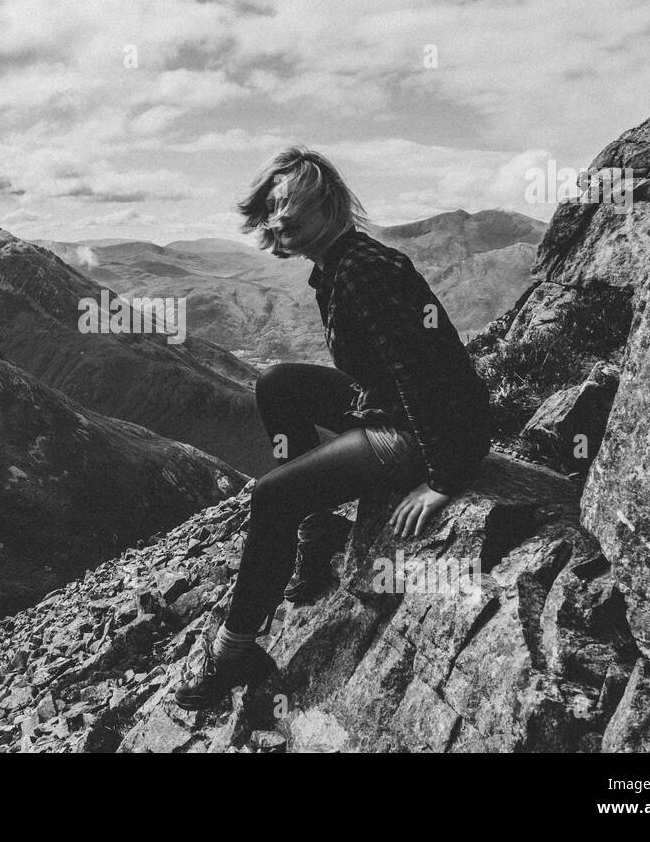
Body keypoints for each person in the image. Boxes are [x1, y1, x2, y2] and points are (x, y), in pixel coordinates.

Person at [174, 145, 493, 710]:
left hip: (420, 429)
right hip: (390, 405)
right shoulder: (338, 265)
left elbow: (419, 373)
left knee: (273, 497)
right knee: (277, 383)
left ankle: (233, 650)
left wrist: (445, 478)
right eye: (271, 209)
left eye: (290, 205)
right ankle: (317, 534)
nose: (278, 220)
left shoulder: (363, 272)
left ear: (328, 205)